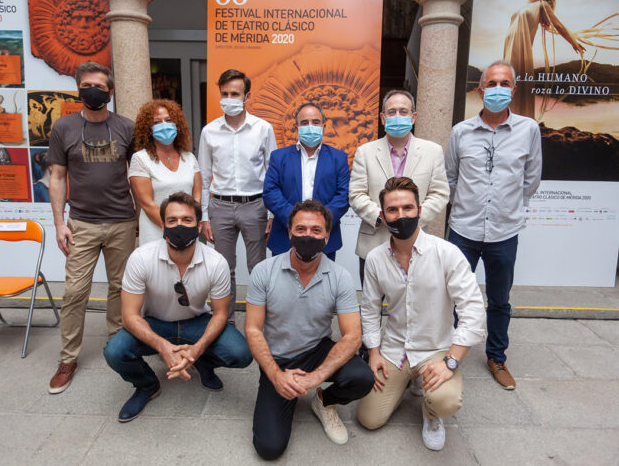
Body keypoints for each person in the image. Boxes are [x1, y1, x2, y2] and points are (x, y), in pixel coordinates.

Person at [356, 177, 486, 451]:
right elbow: (369, 309)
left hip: (435, 350)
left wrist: (450, 361)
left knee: (445, 401)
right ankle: (408, 381)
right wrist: (374, 352)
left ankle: (432, 414)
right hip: (395, 348)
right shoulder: (376, 259)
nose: (400, 215)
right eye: (392, 210)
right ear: (383, 215)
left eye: (407, 208)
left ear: (419, 211)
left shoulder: (447, 253)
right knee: (368, 419)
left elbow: (473, 311)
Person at [104, 192, 252, 422]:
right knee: (115, 351)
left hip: (197, 323)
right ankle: (147, 385)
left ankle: (202, 362)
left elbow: (221, 313)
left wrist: (198, 348)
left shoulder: (216, 262)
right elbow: (129, 316)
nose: (179, 225)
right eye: (172, 221)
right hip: (156, 323)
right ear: (162, 225)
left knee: (240, 353)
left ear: (199, 225)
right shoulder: (141, 258)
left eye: (187, 220)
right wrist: (163, 347)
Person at [245, 199, 374, 460]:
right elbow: (253, 330)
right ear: (289, 232)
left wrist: (313, 379)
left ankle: (324, 401)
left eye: (316, 230)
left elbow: (352, 336)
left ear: (327, 236)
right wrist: (276, 375)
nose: (308, 235)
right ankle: (284, 390)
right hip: (278, 359)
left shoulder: (340, 276)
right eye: (301, 229)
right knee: (269, 448)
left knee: (362, 377)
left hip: (316, 350)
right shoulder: (263, 272)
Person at [445, 61, 542, 390]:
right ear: (480, 88)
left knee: (499, 299)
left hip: (504, 231)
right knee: (455, 296)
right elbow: (450, 179)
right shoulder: (461, 132)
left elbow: (531, 180)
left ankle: (496, 357)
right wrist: (470, 204)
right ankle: (451, 355)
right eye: (492, 83)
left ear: (513, 90)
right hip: (463, 229)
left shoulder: (529, 130)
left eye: (504, 84)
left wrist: (506, 206)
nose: (497, 89)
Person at [46, 61, 137, 394]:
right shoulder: (64, 128)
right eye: (87, 85)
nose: (92, 91)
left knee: (120, 289)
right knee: (74, 292)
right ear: (78, 89)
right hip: (81, 223)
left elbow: (137, 175)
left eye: (99, 86)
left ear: (110, 92)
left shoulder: (126, 127)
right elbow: (56, 176)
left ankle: (117, 345)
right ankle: (68, 358)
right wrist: (59, 223)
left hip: (121, 222)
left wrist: (140, 217)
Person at [198, 69, 277, 325]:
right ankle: (225, 324)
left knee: (258, 269)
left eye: (235, 94)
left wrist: (272, 213)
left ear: (247, 96)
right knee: (223, 270)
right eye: (225, 94)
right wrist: (205, 217)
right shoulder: (209, 131)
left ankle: (257, 324)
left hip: (255, 206)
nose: (229, 98)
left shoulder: (263, 129)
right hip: (219, 206)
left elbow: (271, 173)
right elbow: (204, 176)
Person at [349, 89, 449, 284]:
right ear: (383, 118)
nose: (397, 116)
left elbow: (439, 193)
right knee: (372, 308)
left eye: (403, 112)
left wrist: (412, 219)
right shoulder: (365, 152)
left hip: (416, 243)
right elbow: (356, 194)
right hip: (374, 242)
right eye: (392, 112)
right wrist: (382, 217)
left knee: (413, 306)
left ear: (413, 117)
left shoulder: (432, 151)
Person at [263, 102, 349, 261]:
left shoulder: (339, 158)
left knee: (324, 284)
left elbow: (343, 196)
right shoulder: (278, 157)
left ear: (324, 125)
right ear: (296, 127)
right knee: (282, 284)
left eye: (315, 122)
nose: (310, 126)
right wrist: (295, 218)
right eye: (304, 123)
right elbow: (270, 193)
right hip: (285, 237)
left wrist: (320, 221)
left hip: (324, 238)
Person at [503, 0, 585, 118]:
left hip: (513, 48)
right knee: (515, 82)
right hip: (516, 47)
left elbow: (554, 25)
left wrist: (572, 41)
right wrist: (573, 42)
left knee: (512, 83)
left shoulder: (532, 7)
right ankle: (517, 118)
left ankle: (514, 118)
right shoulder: (536, 6)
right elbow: (557, 26)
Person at [129, 99, 201, 245]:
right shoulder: (140, 159)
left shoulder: (189, 158)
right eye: (157, 122)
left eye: (169, 120)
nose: (164, 125)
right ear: (148, 129)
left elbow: (197, 196)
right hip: (156, 231)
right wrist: (173, 228)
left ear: (177, 124)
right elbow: (147, 203)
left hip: (188, 231)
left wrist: (187, 225)